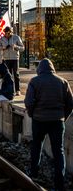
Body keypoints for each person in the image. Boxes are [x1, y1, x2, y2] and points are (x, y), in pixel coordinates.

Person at [24, 58, 73, 190]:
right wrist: (63, 117)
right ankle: (59, 184)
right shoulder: (63, 82)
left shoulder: (34, 81)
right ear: (52, 68)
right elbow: (70, 103)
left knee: (37, 146)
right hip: (57, 121)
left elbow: (28, 102)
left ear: (40, 69)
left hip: (39, 120)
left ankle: (34, 172)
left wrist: (32, 114)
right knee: (59, 151)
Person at [0, 26, 24, 95]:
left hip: (15, 58)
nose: (7, 34)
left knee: (16, 74)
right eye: (6, 33)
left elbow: (23, 48)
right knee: (8, 75)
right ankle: (10, 90)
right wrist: (3, 47)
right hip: (6, 59)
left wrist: (16, 47)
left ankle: (17, 90)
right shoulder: (2, 39)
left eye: (9, 33)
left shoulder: (16, 37)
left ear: (11, 32)